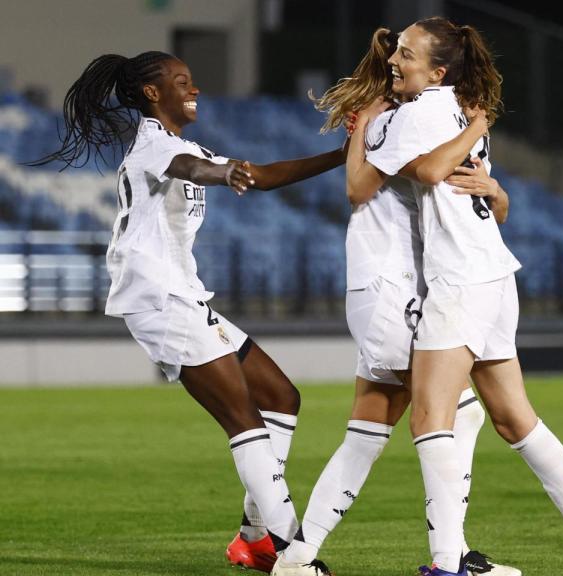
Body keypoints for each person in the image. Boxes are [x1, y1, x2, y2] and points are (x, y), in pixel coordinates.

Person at [32, 51, 349, 571]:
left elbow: (260, 175)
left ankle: (252, 538)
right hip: (158, 297)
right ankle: (292, 553)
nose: (194, 88)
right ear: (153, 94)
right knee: (244, 419)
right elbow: (192, 169)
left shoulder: (181, 143)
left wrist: (342, 156)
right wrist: (223, 175)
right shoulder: (156, 146)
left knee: (281, 398)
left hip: (184, 293)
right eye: (182, 81)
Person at [345, 17, 563, 576]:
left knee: (430, 417)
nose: (394, 60)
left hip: (459, 280)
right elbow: (490, 203)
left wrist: (365, 125)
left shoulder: (426, 110)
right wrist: (484, 145)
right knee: (512, 417)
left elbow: (404, 177)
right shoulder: (461, 109)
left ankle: (447, 564)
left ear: (438, 70)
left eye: (406, 52)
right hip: (494, 273)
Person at [270, 29, 518, 576]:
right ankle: (451, 558)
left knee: (369, 429)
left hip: (385, 286)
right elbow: (360, 189)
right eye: (399, 57)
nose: (402, 65)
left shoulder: (395, 116)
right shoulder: (394, 119)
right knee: (457, 417)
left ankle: (300, 555)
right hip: (390, 286)